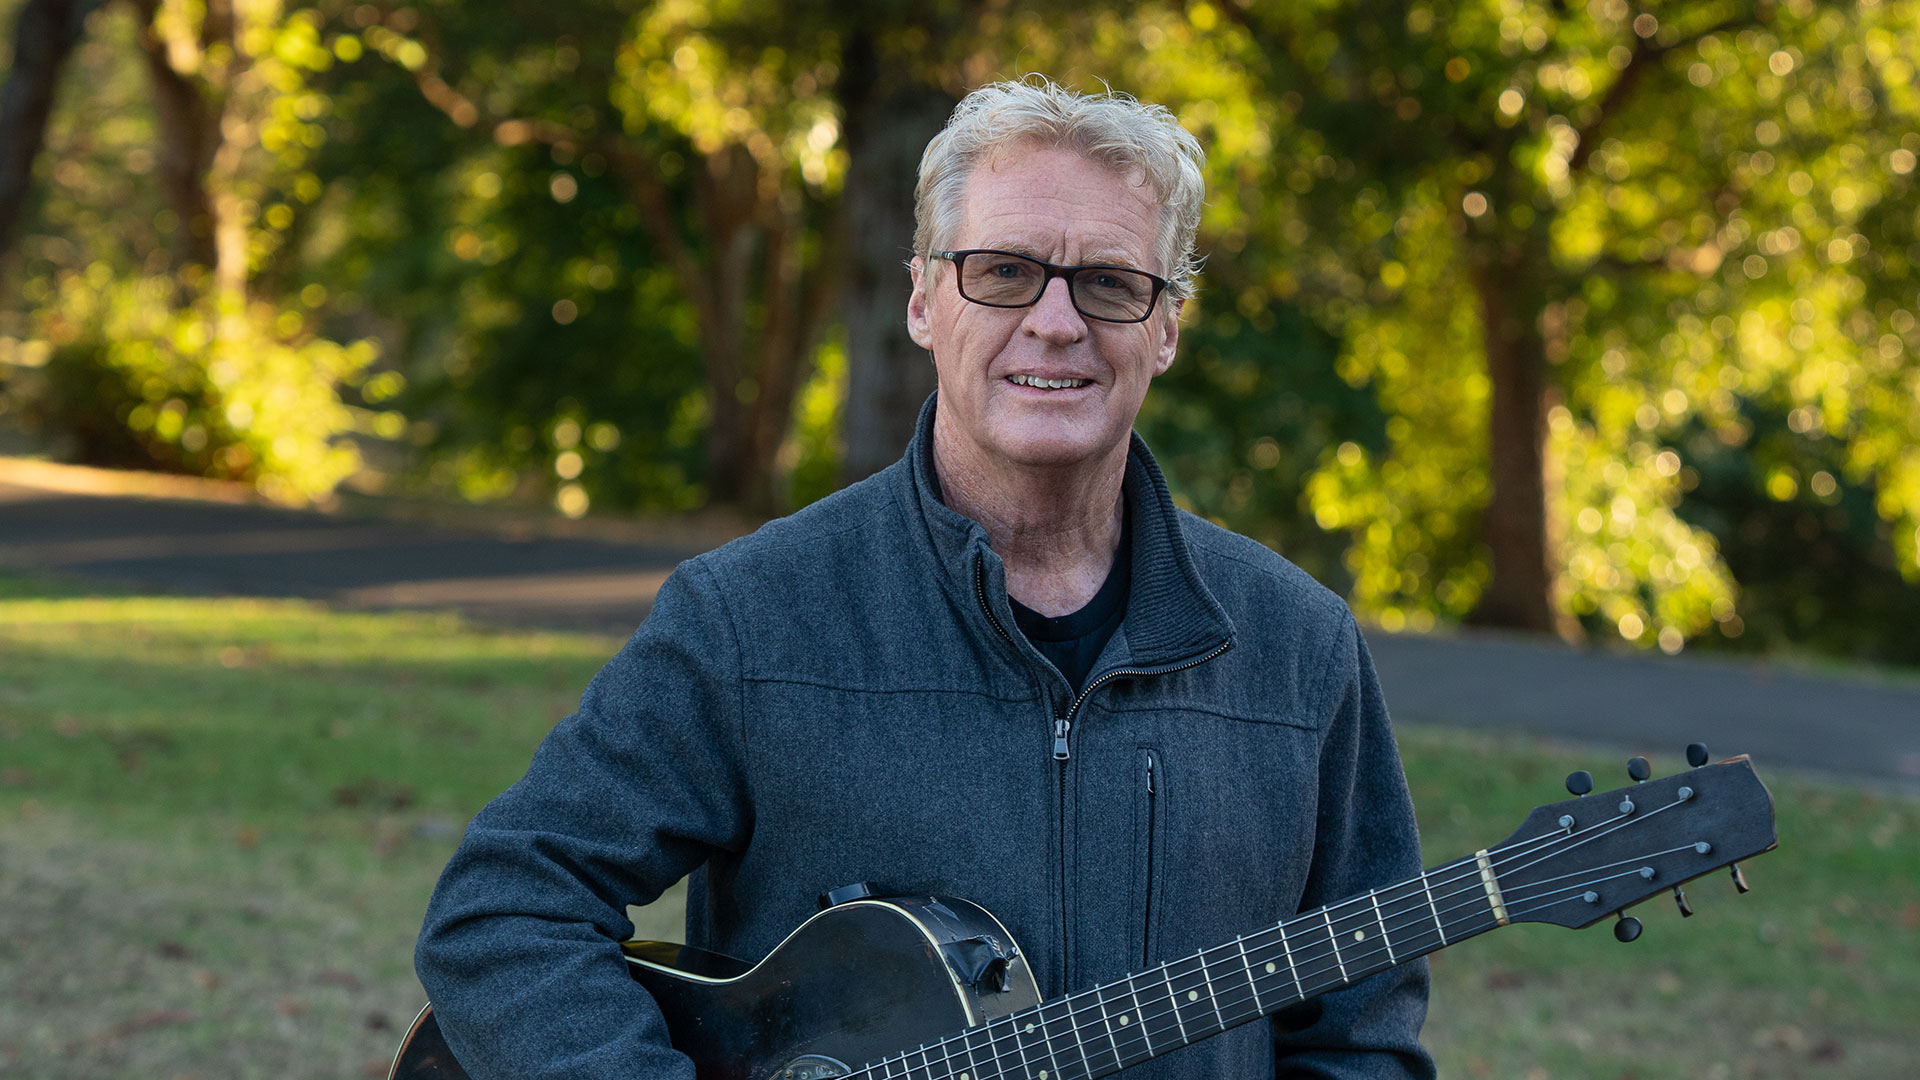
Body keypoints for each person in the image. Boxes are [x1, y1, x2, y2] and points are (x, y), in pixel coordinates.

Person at [415, 77, 1434, 1080]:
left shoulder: (1301, 649)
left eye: (1111, 284)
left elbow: (1360, 1041)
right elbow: (505, 908)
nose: (1056, 322)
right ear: (921, 300)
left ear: (1165, 328)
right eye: (1002, 271)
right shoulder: (753, 615)